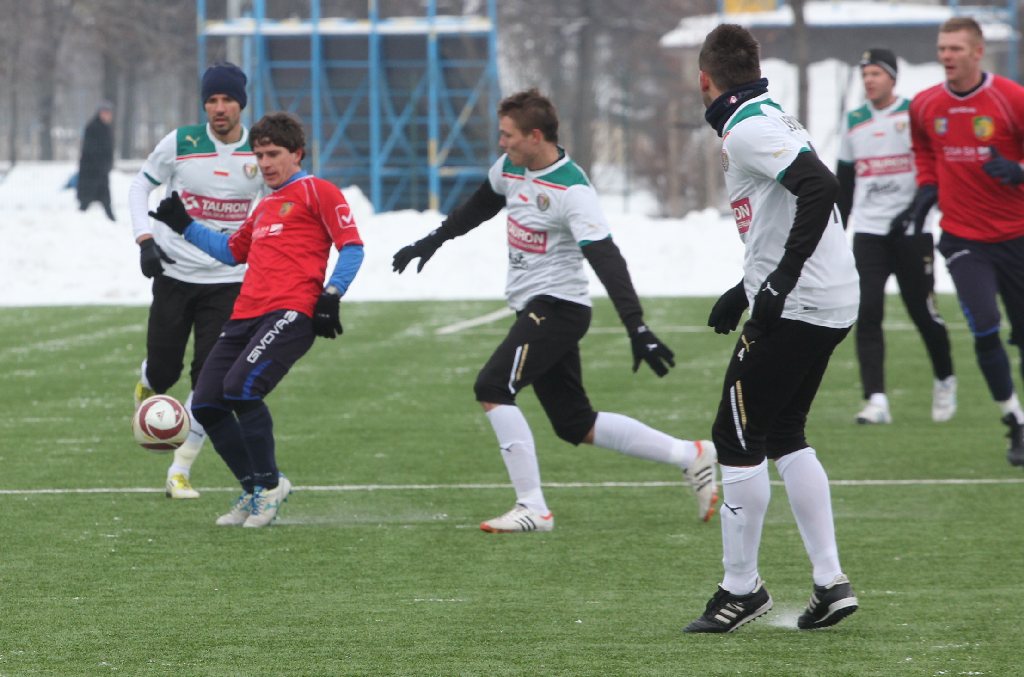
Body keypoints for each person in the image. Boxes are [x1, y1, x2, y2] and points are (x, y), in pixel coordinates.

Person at [392, 88, 718, 533]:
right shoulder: (511, 167)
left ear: (536, 135)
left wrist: (635, 325)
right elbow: (481, 204)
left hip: (558, 309)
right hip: (535, 307)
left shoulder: (573, 191)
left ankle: (533, 508)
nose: (501, 143)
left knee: (492, 385)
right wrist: (432, 240)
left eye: (508, 135)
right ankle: (689, 454)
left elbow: (606, 258)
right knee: (574, 423)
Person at [683, 24, 860, 633]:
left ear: (704, 80)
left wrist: (779, 282)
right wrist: (746, 286)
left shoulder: (751, 128)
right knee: (785, 430)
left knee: (734, 437)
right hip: (830, 300)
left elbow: (821, 188)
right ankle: (830, 582)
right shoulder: (771, 114)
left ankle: (741, 589)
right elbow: (784, 209)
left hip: (800, 305)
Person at [148, 111, 364, 527]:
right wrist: (185, 225)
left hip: (291, 312)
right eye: (259, 154)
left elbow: (352, 247)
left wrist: (331, 294)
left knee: (241, 389)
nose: (264, 163)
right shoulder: (265, 205)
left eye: (273, 154)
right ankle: (254, 488)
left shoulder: (318, 192)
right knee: (208, 403)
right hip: (245, 314)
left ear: (296, 154)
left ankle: (268, 485)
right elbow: (232, 251)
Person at [128, 63, 264, 499]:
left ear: (241, 103)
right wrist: (145, 240)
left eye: (227, 100)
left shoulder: (261, 151)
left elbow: (277, 204)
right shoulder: (180, 142)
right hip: (174, 273)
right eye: (211, 100)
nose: (219, 108)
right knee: (164, 371)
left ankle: (179, 470)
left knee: (210, 383)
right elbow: (138, 187)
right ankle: (149, 380)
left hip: (229, 280)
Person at [908, 17, 1024, 468]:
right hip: (962, 238)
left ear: (978, 52)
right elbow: (924, 148)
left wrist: (1018, 172)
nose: (947, 57)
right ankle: (1014, 422)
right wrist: (926, 187)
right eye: (942, 48)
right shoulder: (925, 105)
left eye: (956, 48)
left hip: (1017, 235)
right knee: (985, 325)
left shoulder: (1010, 99)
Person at [836, 48, 956, 425]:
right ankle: (876, 400)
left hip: (910, 232)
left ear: (892, 78)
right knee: (867, 312)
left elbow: (933, 169)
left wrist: (917, 209)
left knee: (923, 313)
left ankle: (944, 378)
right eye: (865, 73)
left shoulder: (913, 114)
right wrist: (836, 229)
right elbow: (844, 183)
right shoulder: (853, 120)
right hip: (869, 234)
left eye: (876, 73)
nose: (869, 79)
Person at [78, 101, 115, 221]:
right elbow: (90, 149)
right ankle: (78, 220)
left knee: (105, 198)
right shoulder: (93, 127)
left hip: (101, 171)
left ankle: (112, 219)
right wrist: (100, 165)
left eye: (108, 113)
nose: (107, 115)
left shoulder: (106, 128)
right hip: (91, 171)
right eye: (104, 112)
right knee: (86, 199)